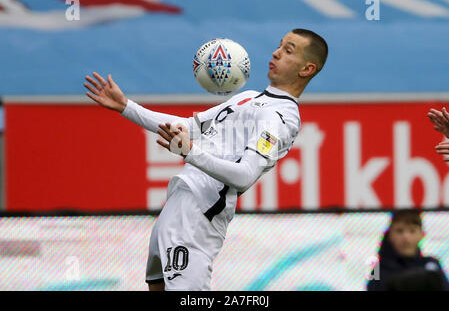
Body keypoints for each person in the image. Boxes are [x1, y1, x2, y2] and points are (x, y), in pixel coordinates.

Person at [83, 28, 328, 291]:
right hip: (176, 206)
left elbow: (245, 175)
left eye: (288, 50)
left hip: (198, 216)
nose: (276, 52)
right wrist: (127, 107)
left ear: (306, 69)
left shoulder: (281, 118)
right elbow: (189, 127)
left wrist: (191, 153)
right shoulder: (247, 97)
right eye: (279, 45)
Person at [367, 209, 449, 291]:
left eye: (412, 231)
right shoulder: (379, 270)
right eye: (399, 231)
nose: (406, 237)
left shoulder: (432, 264)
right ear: (390, 235)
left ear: (421, 235)